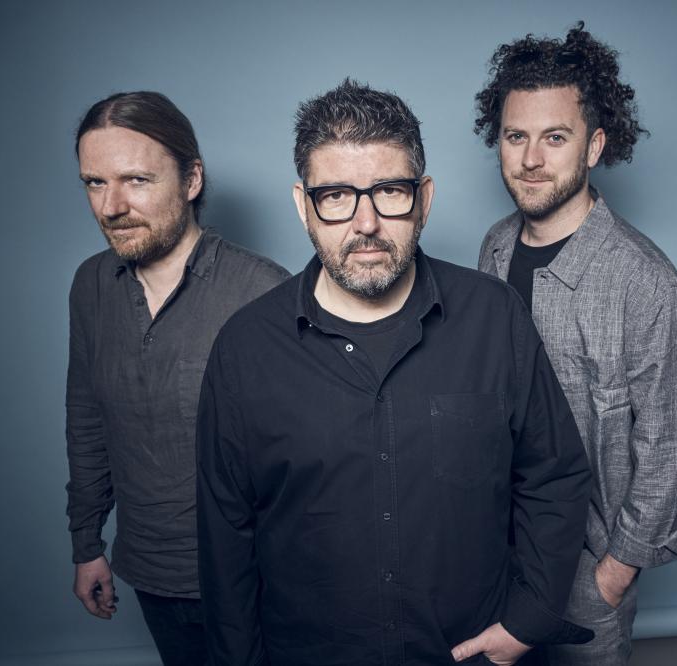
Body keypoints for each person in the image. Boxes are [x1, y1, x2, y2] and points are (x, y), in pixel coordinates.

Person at [196, 79, 594, 666]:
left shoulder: (495, 317)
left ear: (424, 199)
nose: (366, 223)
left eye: (389, 192)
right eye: (336, 196)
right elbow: (225, 536)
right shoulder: (244, 348)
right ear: (304, 206)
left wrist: (528, 619)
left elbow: (553, 476)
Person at [475, 22, 677, 666]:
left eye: (555, 137)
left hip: (586, 575)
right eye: (515, 136)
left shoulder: (646, 282)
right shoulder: (494, 246)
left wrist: (613, 575)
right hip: (493, 552)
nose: (531, 159)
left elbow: (669, 448)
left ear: (595, 145)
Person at [65, 91, 290, 665]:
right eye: (95, 183)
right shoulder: (91, 286)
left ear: (192, 180)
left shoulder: (263, 290)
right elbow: (88, 422)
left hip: (259, 578)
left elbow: (307, 455)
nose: (111, 206)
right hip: (151, 574)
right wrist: (87, 544)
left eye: (137, 180)